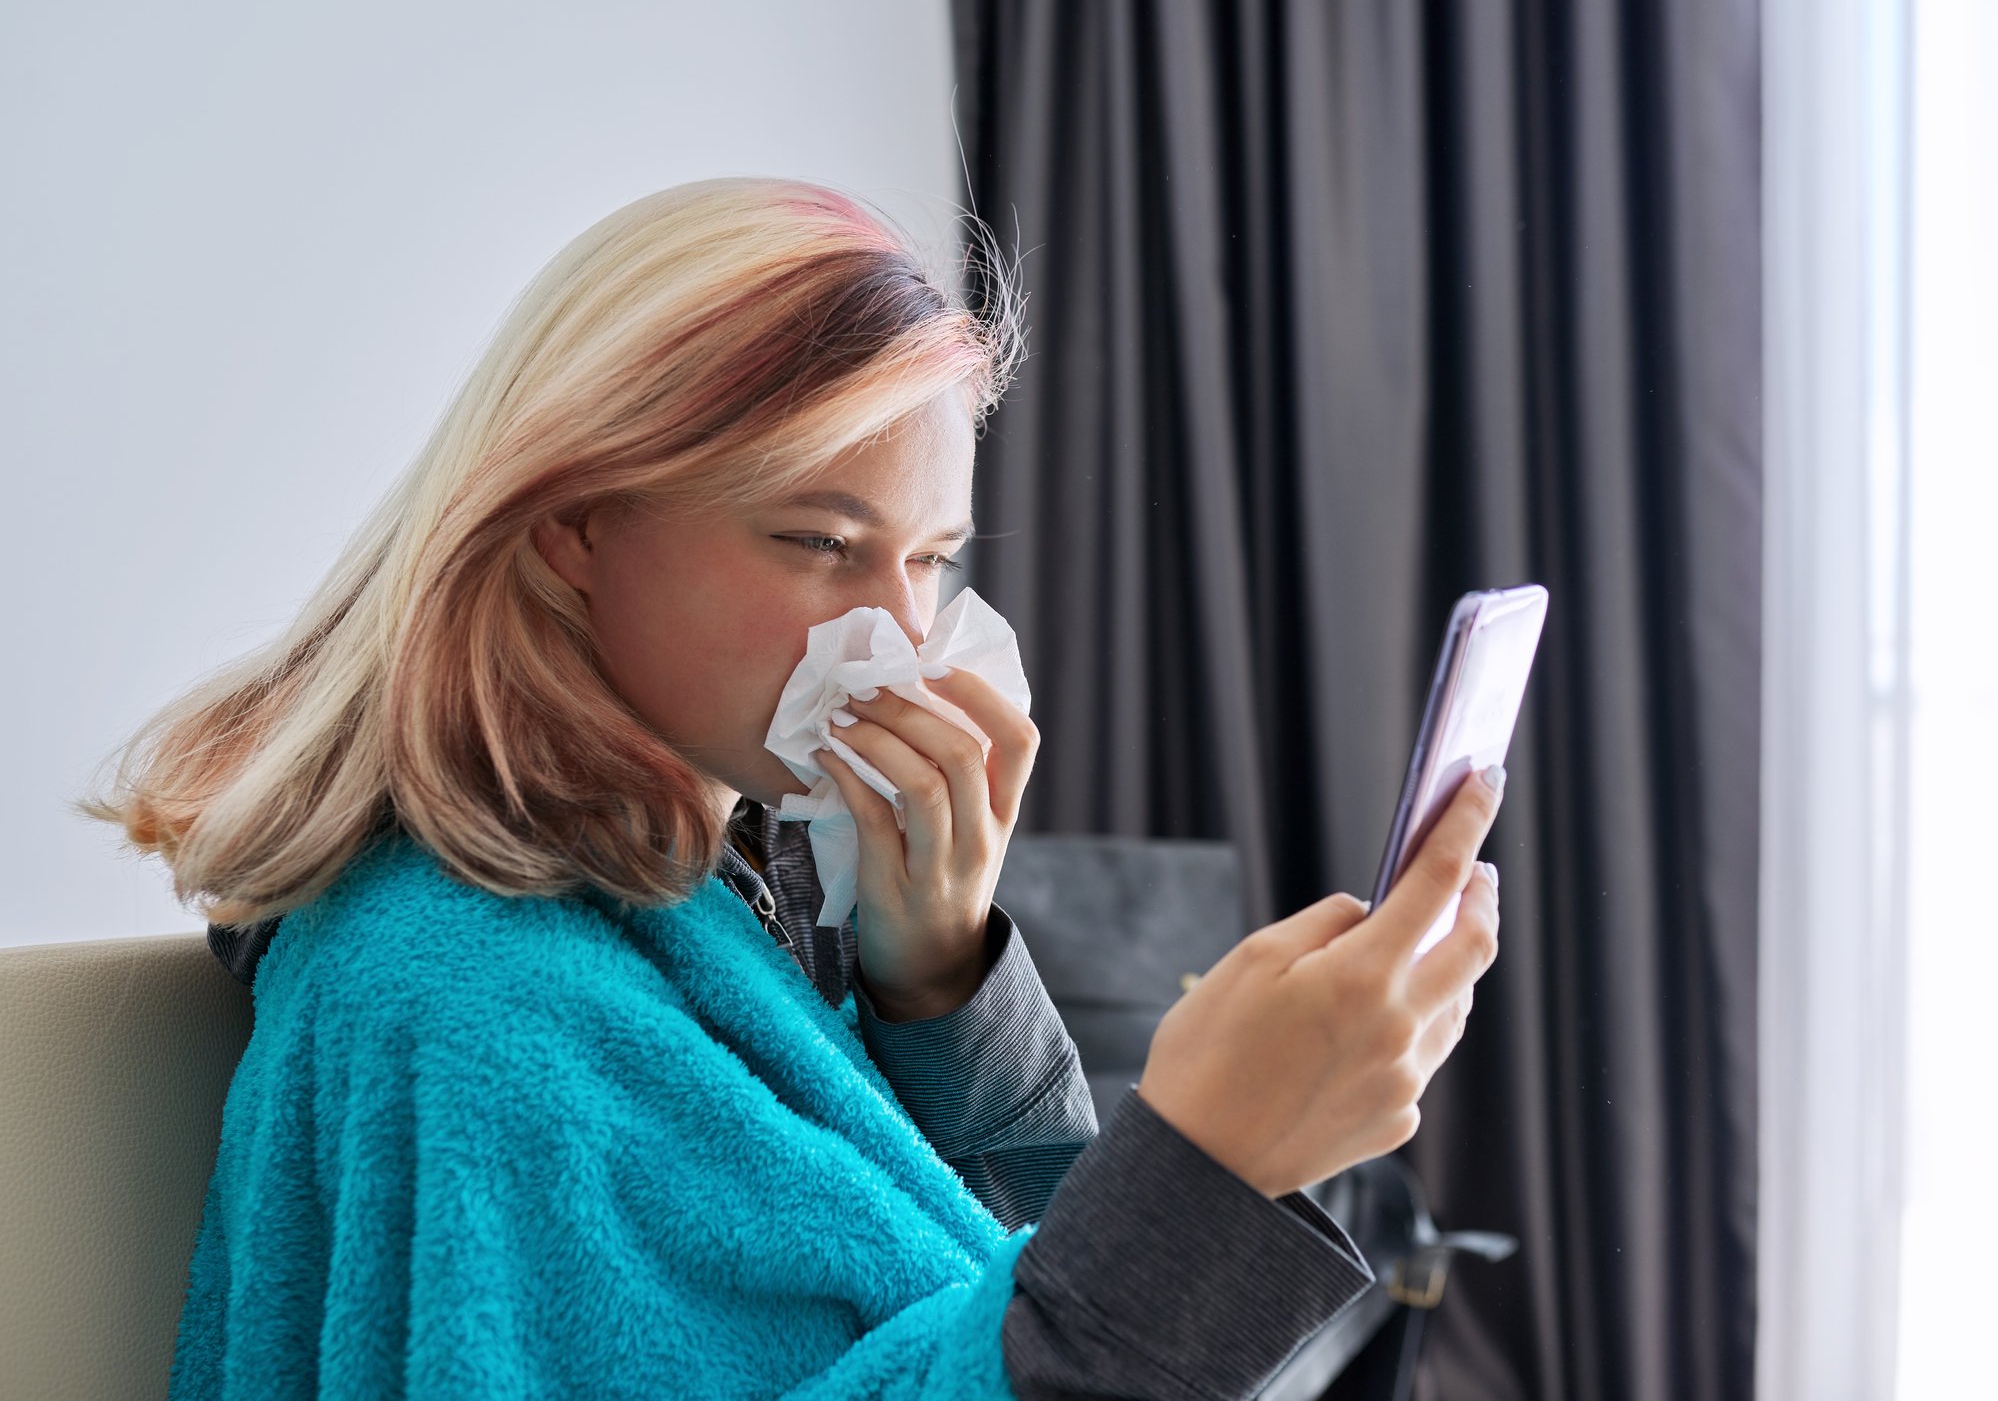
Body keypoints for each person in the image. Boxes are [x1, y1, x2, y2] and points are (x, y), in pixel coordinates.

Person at [78, 177, 1506, 1399]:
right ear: (576, 529)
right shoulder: (476, 1006)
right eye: (822, 541)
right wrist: (1207, 1166)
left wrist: (939, 981)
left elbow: (966, 1284)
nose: (891, 635)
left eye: (928, 558)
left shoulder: (701, 901)